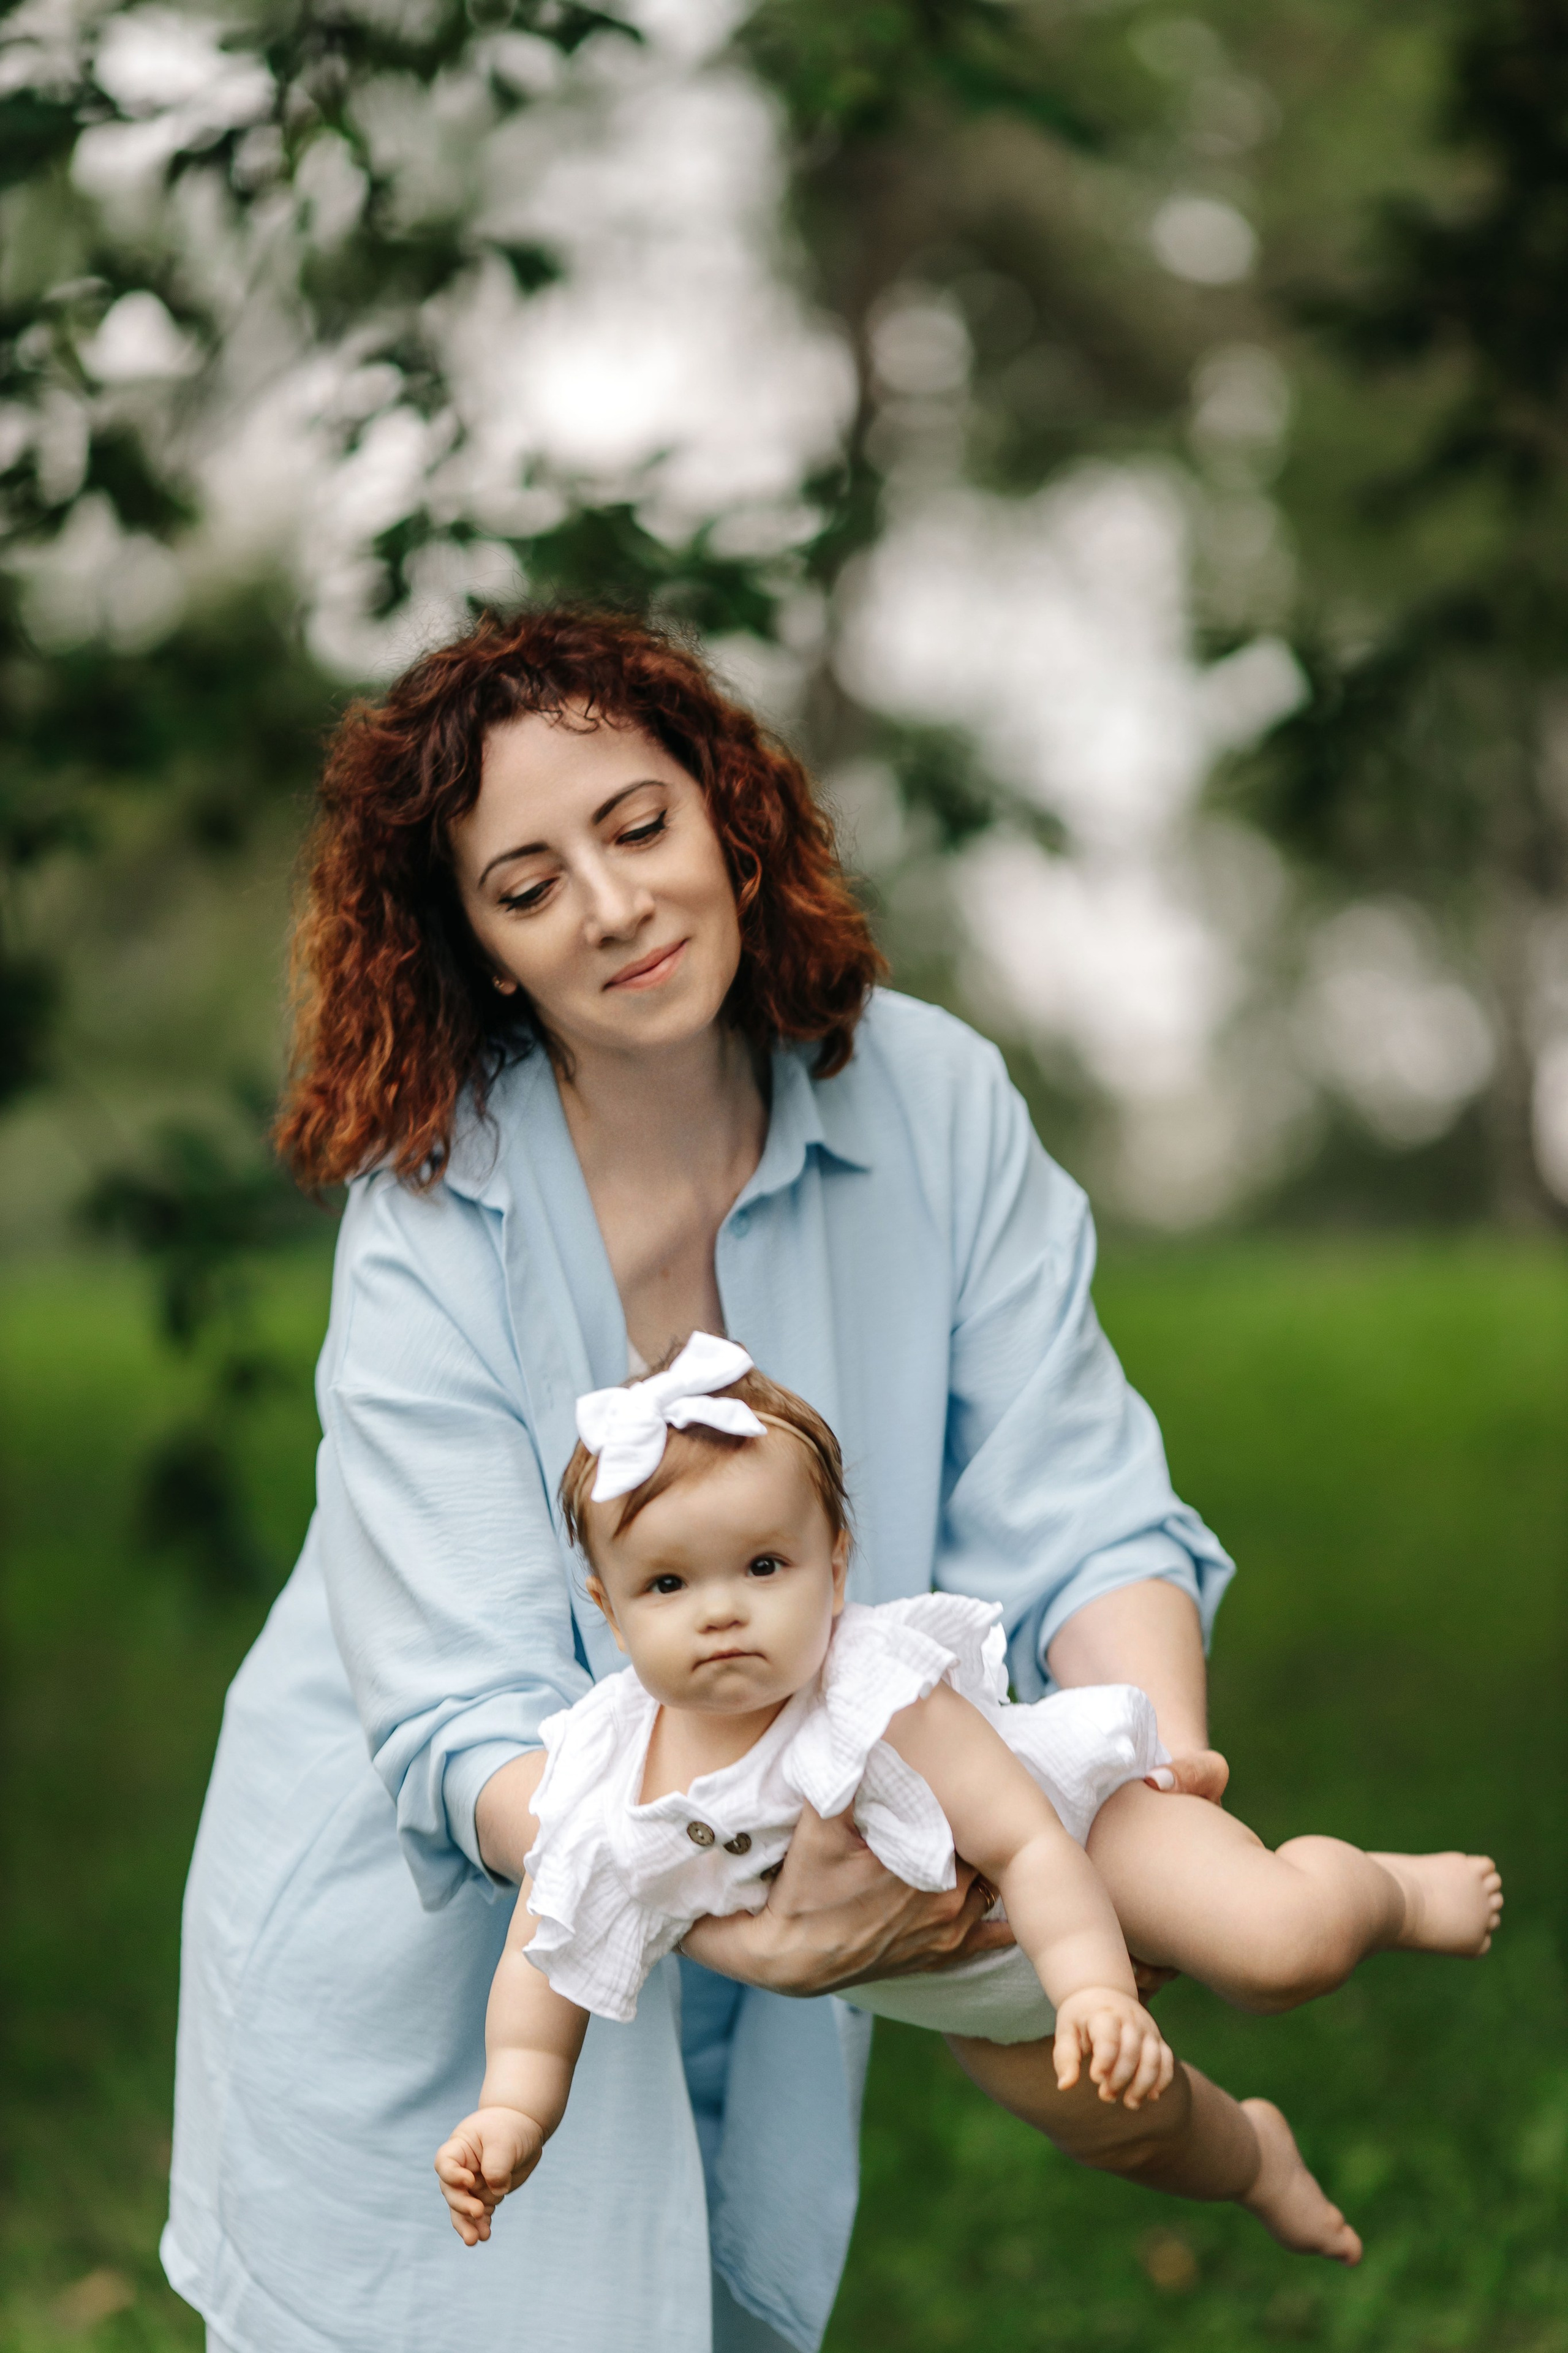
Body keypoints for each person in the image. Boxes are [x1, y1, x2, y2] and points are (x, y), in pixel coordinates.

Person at [169, 607, 1256, 2353]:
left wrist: (1152, 1781)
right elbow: (458, 1708)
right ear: (478, 947)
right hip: (455, 1914)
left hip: (801, 1820)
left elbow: (1079, 1501)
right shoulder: (436, 1206)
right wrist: (713, 1893)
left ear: (729, 814)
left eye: (637, 826)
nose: (609, 907)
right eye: (525, 886)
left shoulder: (934, 1098)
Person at [433, 1341, 1499, 2266]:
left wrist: (1091, 1985)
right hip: (956, 1982)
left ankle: (1393, 1895)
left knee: (1281, 1943)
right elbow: (548, 1949)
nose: (721, 1611)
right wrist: (513, 2108)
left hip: (1089, 1843)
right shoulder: (605, 1779)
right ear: (609, 1614)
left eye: (763, 1565)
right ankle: (1257, 2156)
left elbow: (1028, 1843)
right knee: (1134, 2127)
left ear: (835, 1569)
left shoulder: (872, 1688)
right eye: (668, 1584)